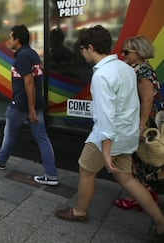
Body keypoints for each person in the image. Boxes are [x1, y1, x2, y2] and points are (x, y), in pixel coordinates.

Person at [54, 25, 164, 242]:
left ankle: (79, 212)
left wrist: (106, 150)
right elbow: (133, 104)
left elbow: (106, 116)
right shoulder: (125, 68)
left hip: (107, 136)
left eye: (83, 49)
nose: (82, 54)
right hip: (127, 133)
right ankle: (160, 222)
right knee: (127, 179)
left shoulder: (102, 75)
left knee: (86, 169)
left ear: (91, 47)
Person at [0, 24, 59, 186]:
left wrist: (31, 109)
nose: (9, 40)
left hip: (21, 105)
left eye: (11, 37)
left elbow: (29, 83)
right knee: (41, 138)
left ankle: (0, 160)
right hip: (33, 104)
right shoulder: (32, 54)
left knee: (11, 133)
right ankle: (51, 174)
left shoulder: (22, 57)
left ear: (17, 40)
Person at [114, 36, 163, 211]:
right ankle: (145, 194)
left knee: (137, 160)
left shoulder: (143, 71)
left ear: (140, 52)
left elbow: (147, 100)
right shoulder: (135, 69)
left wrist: (141, 126)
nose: (122, 54)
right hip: (135, 120)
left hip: (142, 121)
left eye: (126, 52)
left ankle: (138, 197)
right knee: (136, 159)